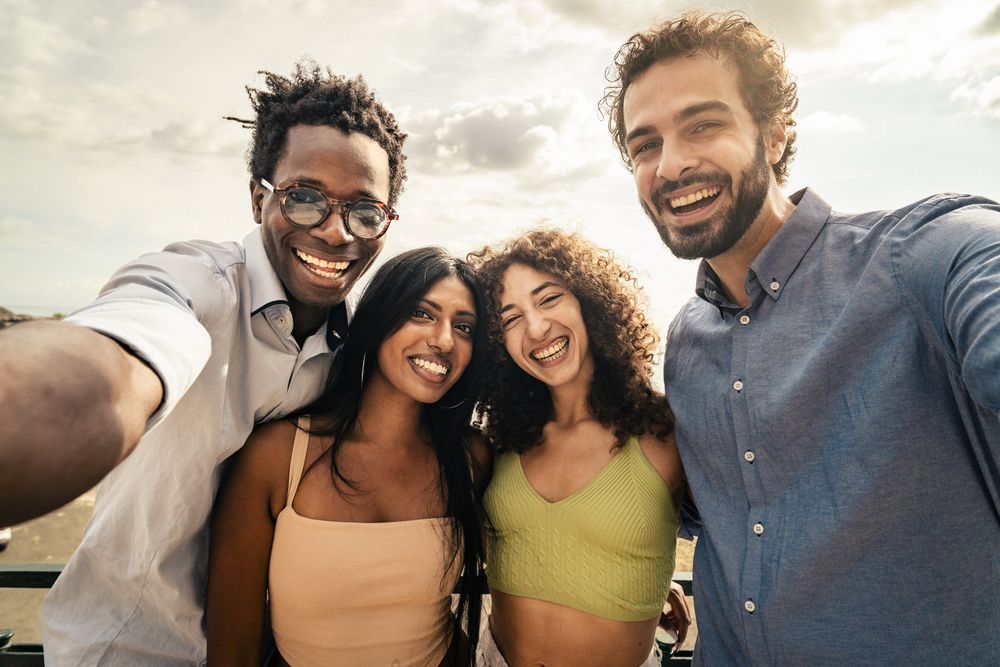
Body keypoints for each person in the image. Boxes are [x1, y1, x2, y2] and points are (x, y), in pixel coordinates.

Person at [603, 10, 1000, 664]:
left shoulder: (927, 256)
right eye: (645, 144)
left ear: (776, 135)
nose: (670, 164)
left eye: (703, 124)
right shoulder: (685, 341)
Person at [0, 61, 407, 665]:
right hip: (130, 649)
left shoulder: (356, 344)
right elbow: (111, 364)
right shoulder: (201, 288)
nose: (334, 231)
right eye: (303, 199)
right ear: (257, 198)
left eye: (365, 211)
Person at [207, 247, 488, 666]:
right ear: (378, 321)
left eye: (464, 327)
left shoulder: (472, 459)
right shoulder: (277, 456)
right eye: (423, 314)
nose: (445, 340)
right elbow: (234, 651)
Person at [468, 230, 691, 667]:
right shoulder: (503, 439)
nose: (535, 328)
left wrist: (651, 578)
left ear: (590, 302)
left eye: (549, 298)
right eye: (510, 318)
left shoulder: (661, 429)